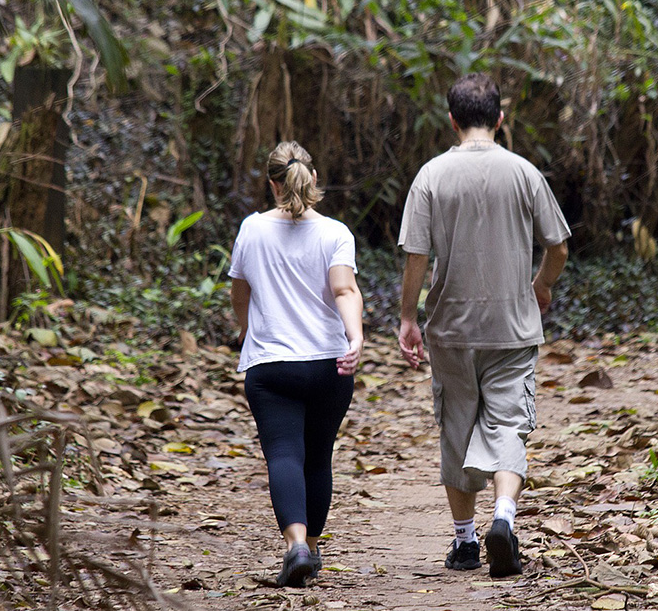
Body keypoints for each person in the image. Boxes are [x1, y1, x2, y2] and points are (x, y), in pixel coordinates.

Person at [397, 73, 570, 577]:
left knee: (456, 426)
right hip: (512, 327)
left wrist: (408, 317)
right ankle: (504, 518)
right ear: (500, 118)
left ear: (452, 120)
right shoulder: (524, 173)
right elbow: (558, 247)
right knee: (509, 423)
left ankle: (465, 541)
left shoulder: (431, 176)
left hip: (450, 328)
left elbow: (416, 255)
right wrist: (541, 285)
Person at [229, 141, 364, 587]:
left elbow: (240, 293)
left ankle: (297, 545)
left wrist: (246, 329)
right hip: (329, 365)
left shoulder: (251, 230)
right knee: (318, 457)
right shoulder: (335, 233)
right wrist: (355, 338)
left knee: (284, 453)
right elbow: (345, 290)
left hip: (272, 366)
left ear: (272, 184)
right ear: (313, 177)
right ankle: (313, 547)